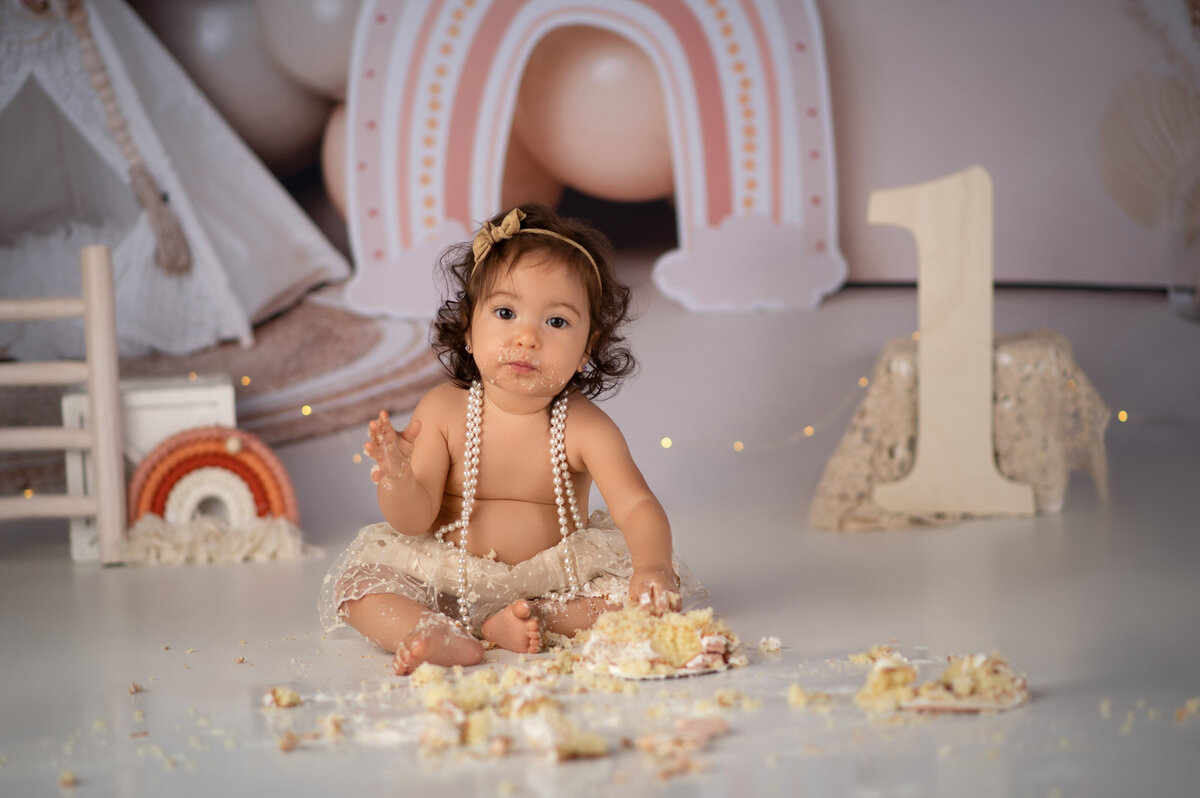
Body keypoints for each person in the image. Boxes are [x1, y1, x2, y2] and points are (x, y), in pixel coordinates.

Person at [318, 203, 701, 674]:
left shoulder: (584, 427)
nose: (527, 338)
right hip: (448, 579)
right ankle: (436, 631)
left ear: (587, 349)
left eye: (556, 322)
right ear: (469, 332)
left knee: (646, 600)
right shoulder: (443, 411)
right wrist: (397, 481)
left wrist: (653, 567)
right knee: (362, 588)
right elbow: (413, 521)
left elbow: (637, 505)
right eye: (505, 312)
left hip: (554, 584)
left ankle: (533, 618)